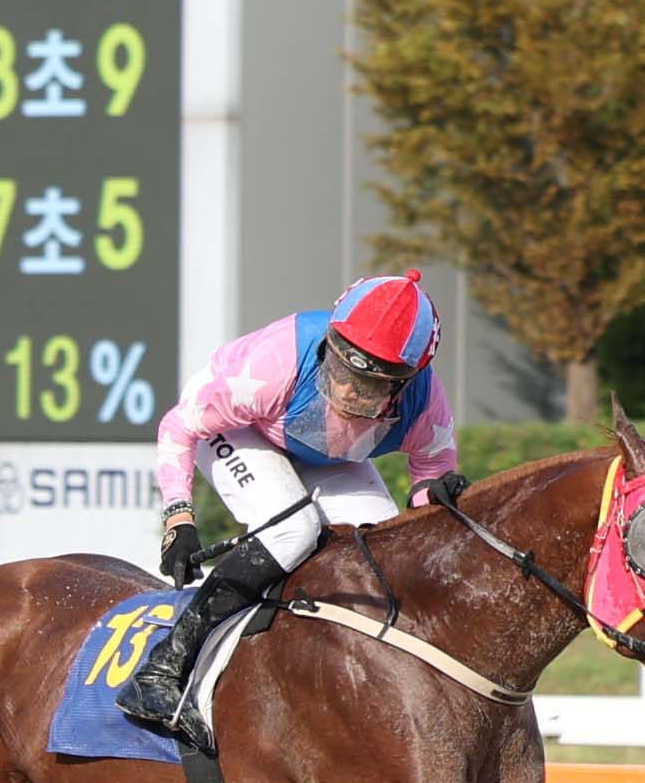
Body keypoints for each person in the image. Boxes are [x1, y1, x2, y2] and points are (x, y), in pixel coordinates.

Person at [114, 272, 452, 735]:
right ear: (331, 340)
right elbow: (179, 426)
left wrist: (437, 500)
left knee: (384, 552)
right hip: (236, 427)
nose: (348, 389)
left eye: (369, 382)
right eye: (341, 366)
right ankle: (164, 666)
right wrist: (179, 516)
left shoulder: (427, 406)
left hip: (322, 449)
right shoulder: (276, 365)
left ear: (406, 382)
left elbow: (425, 491)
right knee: (293, 529)